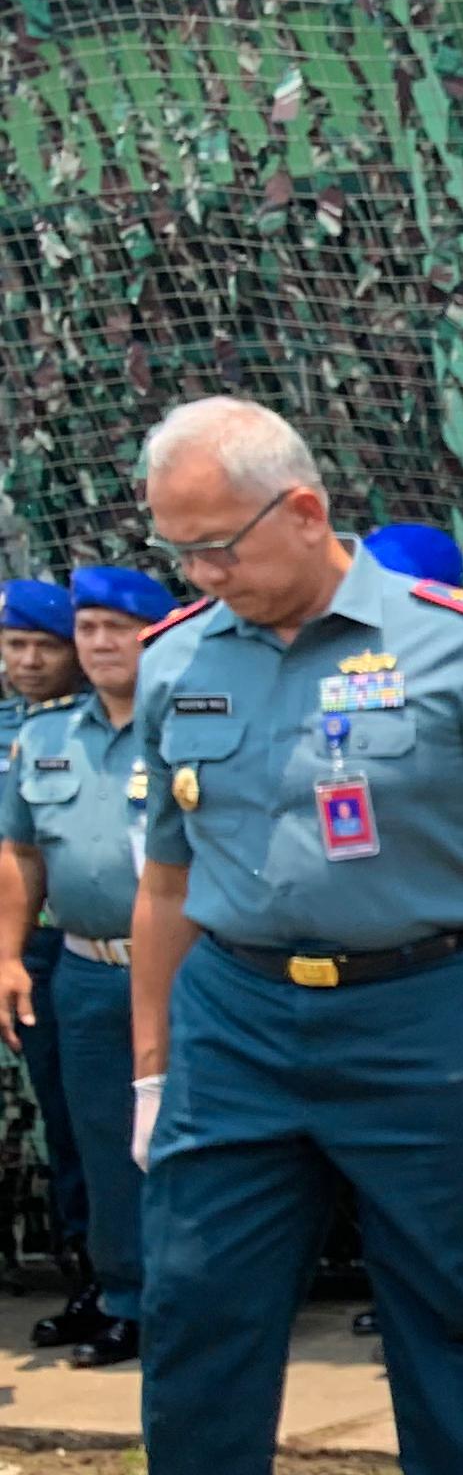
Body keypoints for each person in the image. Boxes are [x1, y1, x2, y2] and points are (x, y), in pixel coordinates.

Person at [28, 398, 463, 1475]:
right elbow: (165, 883)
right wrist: (156, 1067)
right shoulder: (180, 661)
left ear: (303, 510)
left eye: (220, 546)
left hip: (426, 1008)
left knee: (455, 1309)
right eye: (183, 555)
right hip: (235, 1018)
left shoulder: (461, 649)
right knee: (196, 1311)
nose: (203, 576)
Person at [0, 566, 171, 1367]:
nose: (101, 645)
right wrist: (8, 952)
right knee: (105, 1144)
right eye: (90, 629)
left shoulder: (192, 725)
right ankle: (127, 1299)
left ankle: (204, 1296)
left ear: (156, 634)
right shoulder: (45, 737)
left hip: (193, 971)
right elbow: (23, 858)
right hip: (89, 969)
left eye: (120, 629)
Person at [0, 578, 93, 1341]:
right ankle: (85, 1277)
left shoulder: (97, 725)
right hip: (23, 948)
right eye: (15, 646)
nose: (28, 662)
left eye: (44, 646)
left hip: (90, 939)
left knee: (103, 1119)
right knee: (64, 1119)